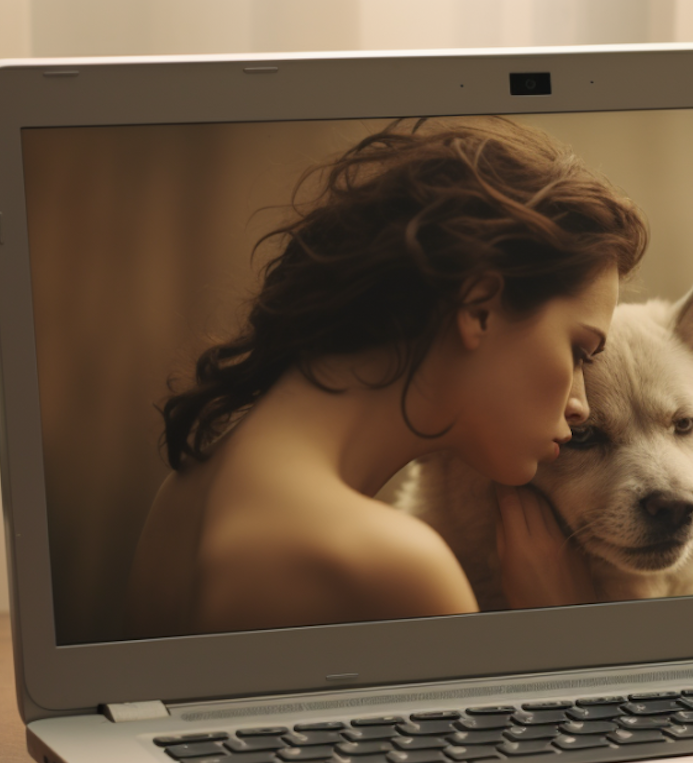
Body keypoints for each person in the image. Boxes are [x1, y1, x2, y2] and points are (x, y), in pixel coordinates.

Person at [122, 118, 648, 638]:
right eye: (580, 351)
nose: (579, 403)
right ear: (479, 310)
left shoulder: (184, 492)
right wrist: (561, 623)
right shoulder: (391, 566)